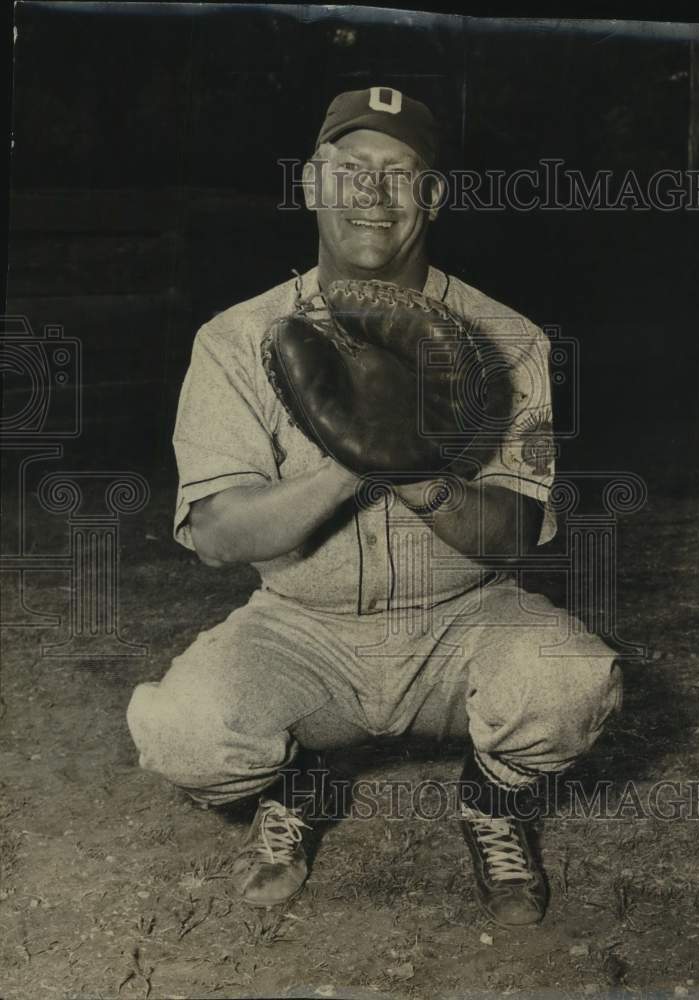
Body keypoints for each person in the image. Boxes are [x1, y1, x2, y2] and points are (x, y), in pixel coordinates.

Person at [127, 87, 622, 926]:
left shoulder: (512, 340)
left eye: (401, 173)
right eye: (349, 169)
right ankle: (299, 784)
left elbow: (513, 537)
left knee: (571, 684)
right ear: (312, 184)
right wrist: (349, 465)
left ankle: (496, 803)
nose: (372, 193)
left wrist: (419, 470)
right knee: (181, 731)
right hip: (300, 629)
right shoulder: (235, 339)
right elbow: (215, 533)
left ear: (432, 197)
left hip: (460, 621)